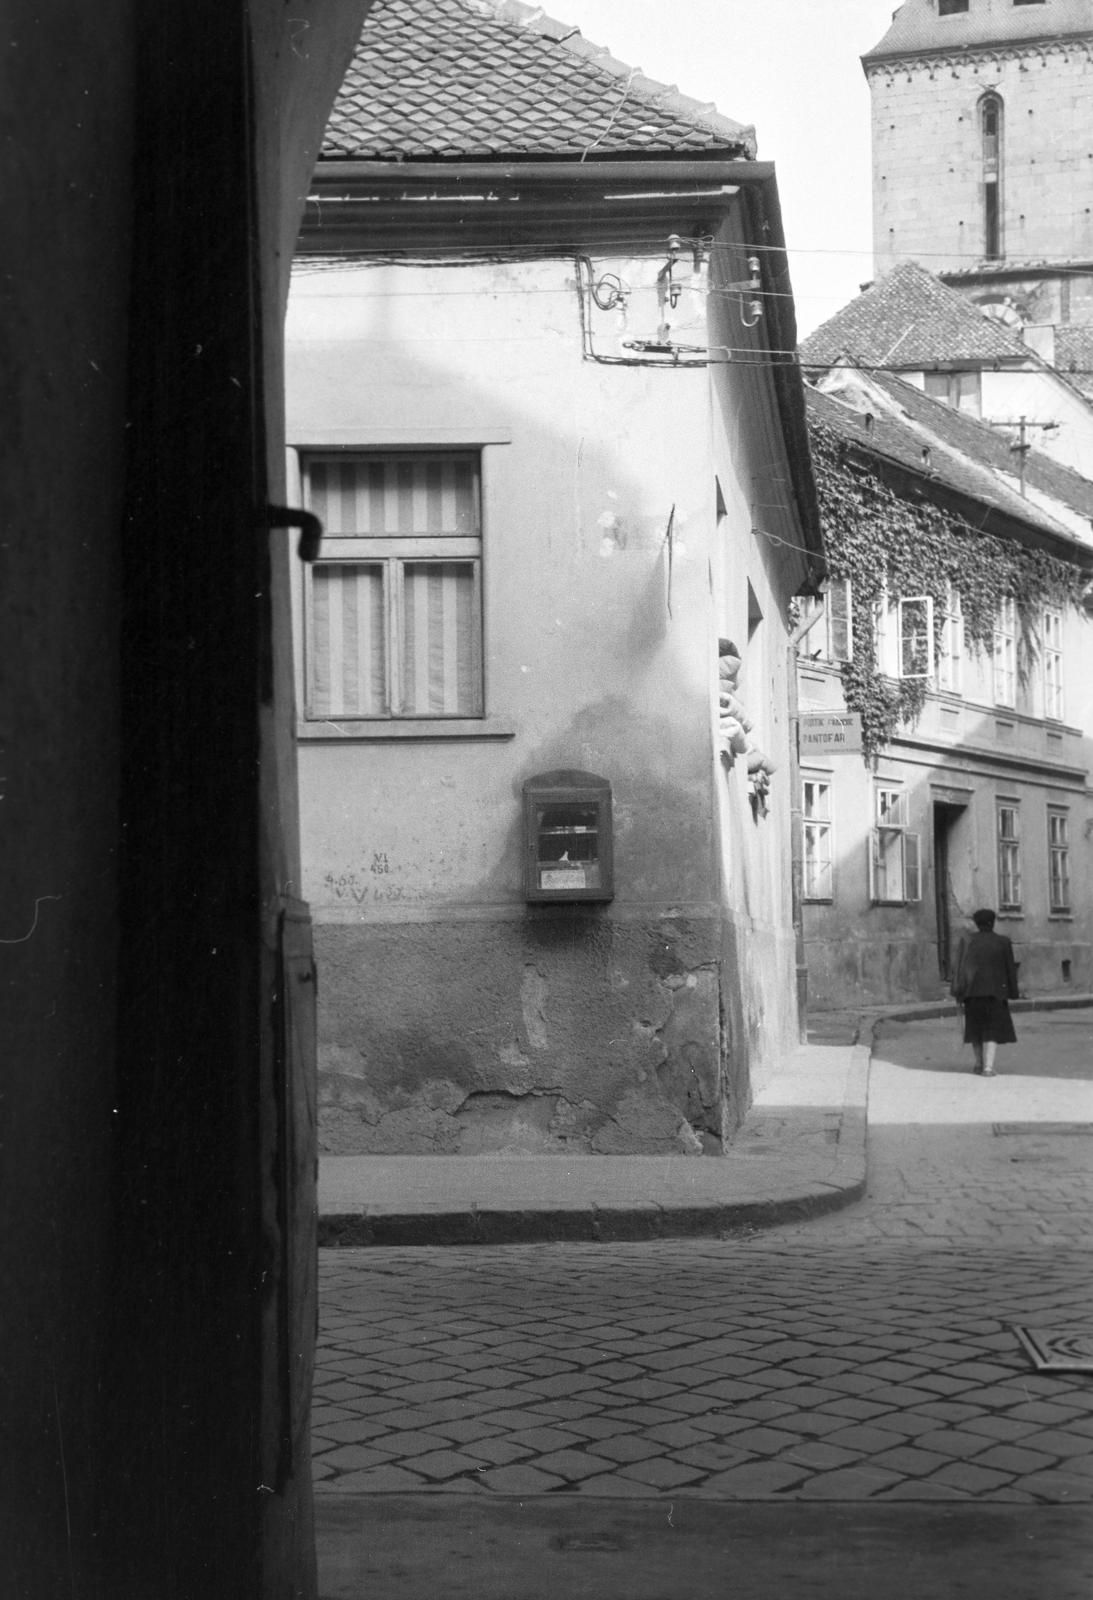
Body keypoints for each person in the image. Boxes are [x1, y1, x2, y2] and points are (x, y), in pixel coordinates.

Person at [951, 908, 1018, 1076]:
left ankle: (978, 1063)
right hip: (996, 993)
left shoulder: (967, 941)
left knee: (975, 1029)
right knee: (992, 1030)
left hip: (972, 993)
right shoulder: (1003, 942)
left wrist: (960, 991)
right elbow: (1010, 969)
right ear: (992, 922)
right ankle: (988, 1067)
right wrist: (1013, 992)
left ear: (976, 923)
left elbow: (960, 968)